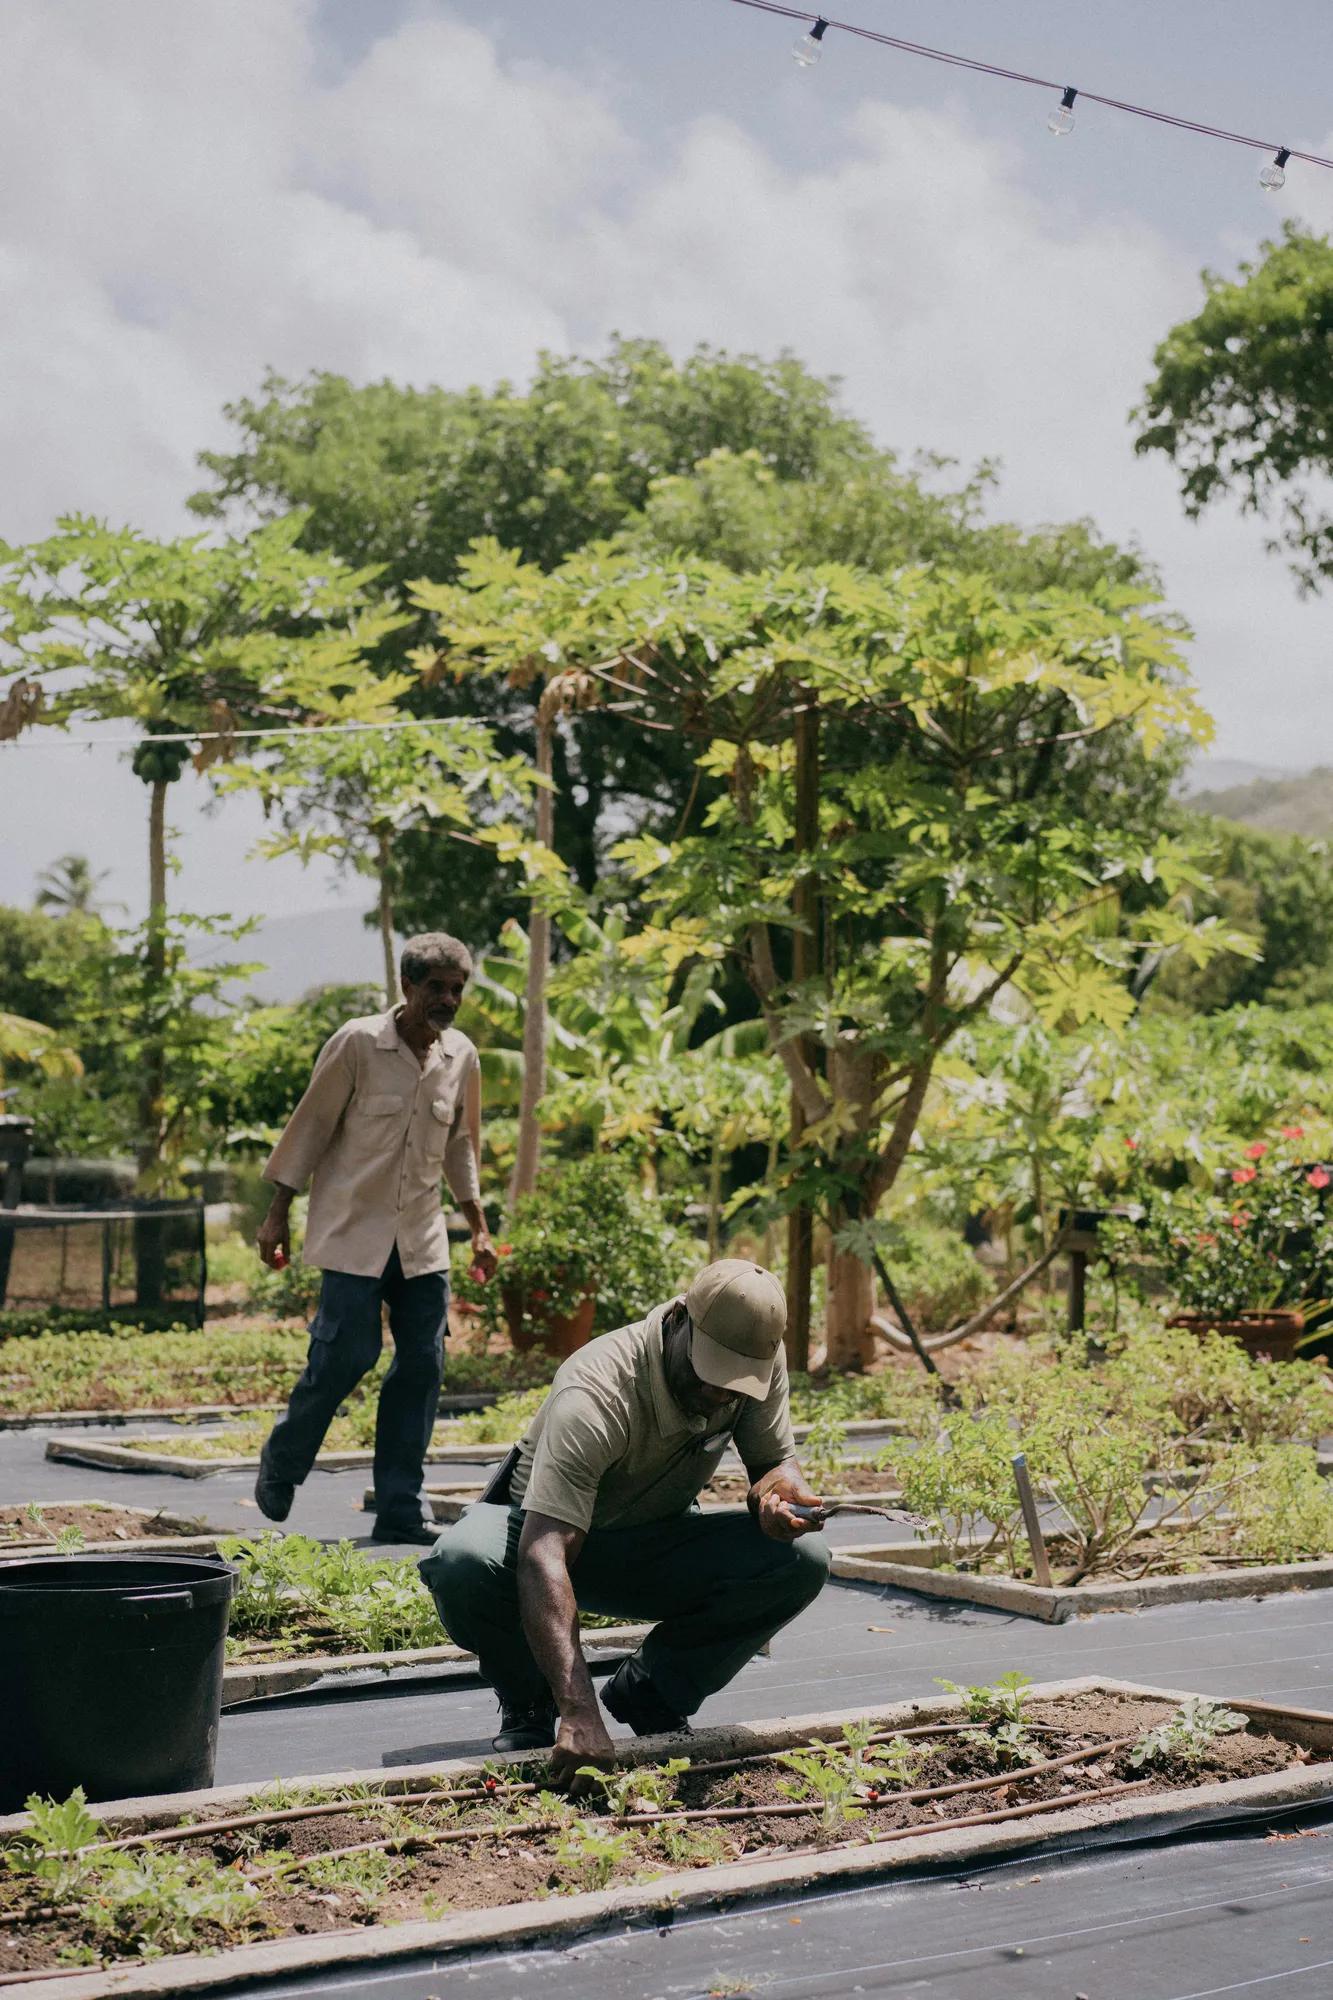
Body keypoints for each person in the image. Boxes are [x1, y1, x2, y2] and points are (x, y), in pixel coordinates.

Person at [420, 1259, 830, 1784]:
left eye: (735, 1384)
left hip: (651, 1544)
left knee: (800, 1559)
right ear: (679, 1321)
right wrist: (579, 1709)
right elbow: (543, 1553)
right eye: (709, 1375)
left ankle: (652, 1691)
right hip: (541, 1546)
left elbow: (774, 1462)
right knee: (461, 1562)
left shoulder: (755, 1359)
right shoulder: (598, 1391)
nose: (721, 1394)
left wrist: (777, 1495)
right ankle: (532, 1702)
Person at [253, 932, 497, 1545]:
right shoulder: (358, 1043)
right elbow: (310, 1127)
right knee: (345, 1354)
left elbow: (460, 1145)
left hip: (422, 1239)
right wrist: (277, 1212)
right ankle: (283, 1459)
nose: (448, 999)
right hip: (353, 1232)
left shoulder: (461, 1056)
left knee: (422, 1365)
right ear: (406, 986)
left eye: (457, 989)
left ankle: (400, 1509)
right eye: (436, 987)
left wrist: (479, 1227)